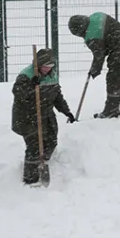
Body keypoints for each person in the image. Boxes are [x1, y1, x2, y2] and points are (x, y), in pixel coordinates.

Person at [11, 49, 76, 185]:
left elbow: (57, 96)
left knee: (51, 140)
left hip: (45, 114)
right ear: (38, 64)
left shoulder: (52, 76)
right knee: (34, 146)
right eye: (45, 66)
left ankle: (42, 161)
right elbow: (18, 94)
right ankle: (30, 179)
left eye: (51, 66)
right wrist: (31, 86)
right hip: (26, 117)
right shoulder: (26, 76)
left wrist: (67, 112)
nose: (48, 69)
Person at [68, 12, 120, 118]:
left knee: (114, 79)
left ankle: (111, 111)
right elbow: (103, 46)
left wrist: (94, 70)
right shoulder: (96, 16)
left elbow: (99, 55)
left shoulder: (92, 35)